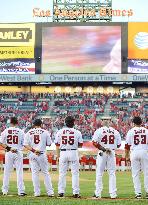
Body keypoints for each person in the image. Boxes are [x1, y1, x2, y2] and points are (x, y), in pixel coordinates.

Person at [92, 117, 121, 199]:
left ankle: (98, 193)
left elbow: (94, 142)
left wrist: (104, 148)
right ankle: (113, 194)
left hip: (102, 152)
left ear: (102, 122)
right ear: (110, 122)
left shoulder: (99, 130)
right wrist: (110, 147)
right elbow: (119, 145)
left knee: (99, 173)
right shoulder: (115, 131)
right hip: (111, 152)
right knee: (112, 173)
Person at [24, 119, 54, 197]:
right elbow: (49, 143)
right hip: (41, 153)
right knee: (45, 173)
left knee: (35, 173)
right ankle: (50, 192)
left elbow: (25, 145)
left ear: (34, 125)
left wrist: (34, 150)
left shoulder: (29, 132)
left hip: (32, 153)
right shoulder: (45, 132)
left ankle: (37, 192)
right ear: (41, 124)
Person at [55, 116, 83, 198]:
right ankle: (76, 192)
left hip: (63, 152)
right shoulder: (77, 132)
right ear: (73, 123)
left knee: (62, 173)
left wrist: (58, 156)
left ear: (65, 122)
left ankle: (61, 192)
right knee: (75, 174)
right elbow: (80, 145)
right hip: (73, 152)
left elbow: (57, 145)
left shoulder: (60, 132)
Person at [0, 117, 26, 196]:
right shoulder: (21, 131)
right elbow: (24, 144)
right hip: (18, 152)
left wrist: (10, 148)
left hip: (9, 152)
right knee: (19, 172)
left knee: (6, 172)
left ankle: (4, 190)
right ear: (17, 122)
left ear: (10, 122)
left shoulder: (5, 131)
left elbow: (1, 143)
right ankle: (21, 191)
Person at [125, 116, 148, 199]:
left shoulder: (131, 131)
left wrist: (126, 156)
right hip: (144, 151)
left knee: (135, 174)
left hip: (134, 152)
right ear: (141, 122)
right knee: (146, 173)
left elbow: (127, 145)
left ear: (133, 123)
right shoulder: (146, 130)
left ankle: (138, 193)